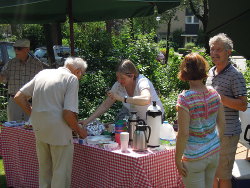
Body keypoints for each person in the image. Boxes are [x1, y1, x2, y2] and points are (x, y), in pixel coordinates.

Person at [14, 57, 88, 188]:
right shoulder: (71, 79)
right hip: (59, 132)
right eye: (82, 74)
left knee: (44, 171)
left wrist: (35, 114)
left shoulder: (43, 73)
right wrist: (79, 130)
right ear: (78, 71)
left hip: (40, 128)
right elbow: (68, 114)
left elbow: (19, 97)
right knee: (60, 173)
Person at [175, 53, 225, 188]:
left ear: (185, 71)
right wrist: (214, 143)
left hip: (194, 157)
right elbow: (222, 124)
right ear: (203, 69)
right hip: (213, 153)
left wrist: (177, 160)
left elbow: (183, 133)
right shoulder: (214, 93)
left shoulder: (185, 98)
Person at [206, 33, 247, 188]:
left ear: (229, 52)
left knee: (223, 175)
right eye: (212, 49)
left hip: (228, 133)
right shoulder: (211, 72)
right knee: (212, 173)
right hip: (211, 132)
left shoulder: (235, 75)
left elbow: (243, 105)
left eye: (219, 50)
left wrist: (219, 97)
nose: (214, 53)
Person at [79, 59, 164, 125]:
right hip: (138, 121)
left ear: (131, 76)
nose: (119, 81)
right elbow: (105, 105)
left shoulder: (142, 81)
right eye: (117, 77)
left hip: (155, 119)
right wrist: (87, 121)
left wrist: (122, 98)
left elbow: (146, 99)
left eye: (122, 78)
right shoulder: (118, 86)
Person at [0, 39, 44, 121]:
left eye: (19, 48)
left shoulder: (37, 64)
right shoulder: (10, 63)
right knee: (13, 129)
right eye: (15, 48)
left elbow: (42, 83)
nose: (16, 50)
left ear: (27, 49)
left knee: (32, 128)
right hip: (14, 102)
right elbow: (2, 79)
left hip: (31, 102)